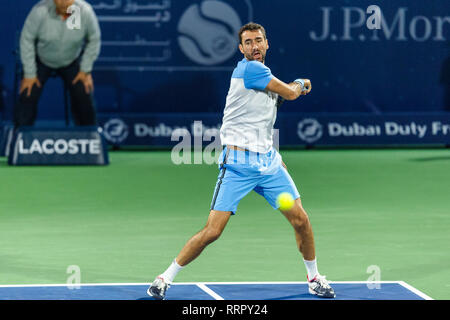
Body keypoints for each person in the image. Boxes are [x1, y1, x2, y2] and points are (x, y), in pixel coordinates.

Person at [148, 22, 335, 300]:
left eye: (258, 40)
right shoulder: (250, 70)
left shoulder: (263, 79)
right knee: (213, 231)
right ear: (241, 49)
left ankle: (314, 278)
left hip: (269, 168)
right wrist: (302, 83)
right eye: (248, 43)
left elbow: (260, 122)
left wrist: (276, 156)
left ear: (267, 43)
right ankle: (165, 278)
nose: (254, 46)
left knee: (300, 220)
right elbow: (293, 93)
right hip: (238, 168)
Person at [15, 0, 100, 129]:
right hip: (42, 60)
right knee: (28, 92)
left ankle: (89, 136)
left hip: (71, 61)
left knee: (83, 91)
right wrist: (29, 74)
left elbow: (94, 39)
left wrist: (85, 70)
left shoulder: (83, 12)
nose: (64, 3)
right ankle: (21, 137)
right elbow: (27, 39)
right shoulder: (40, 12)